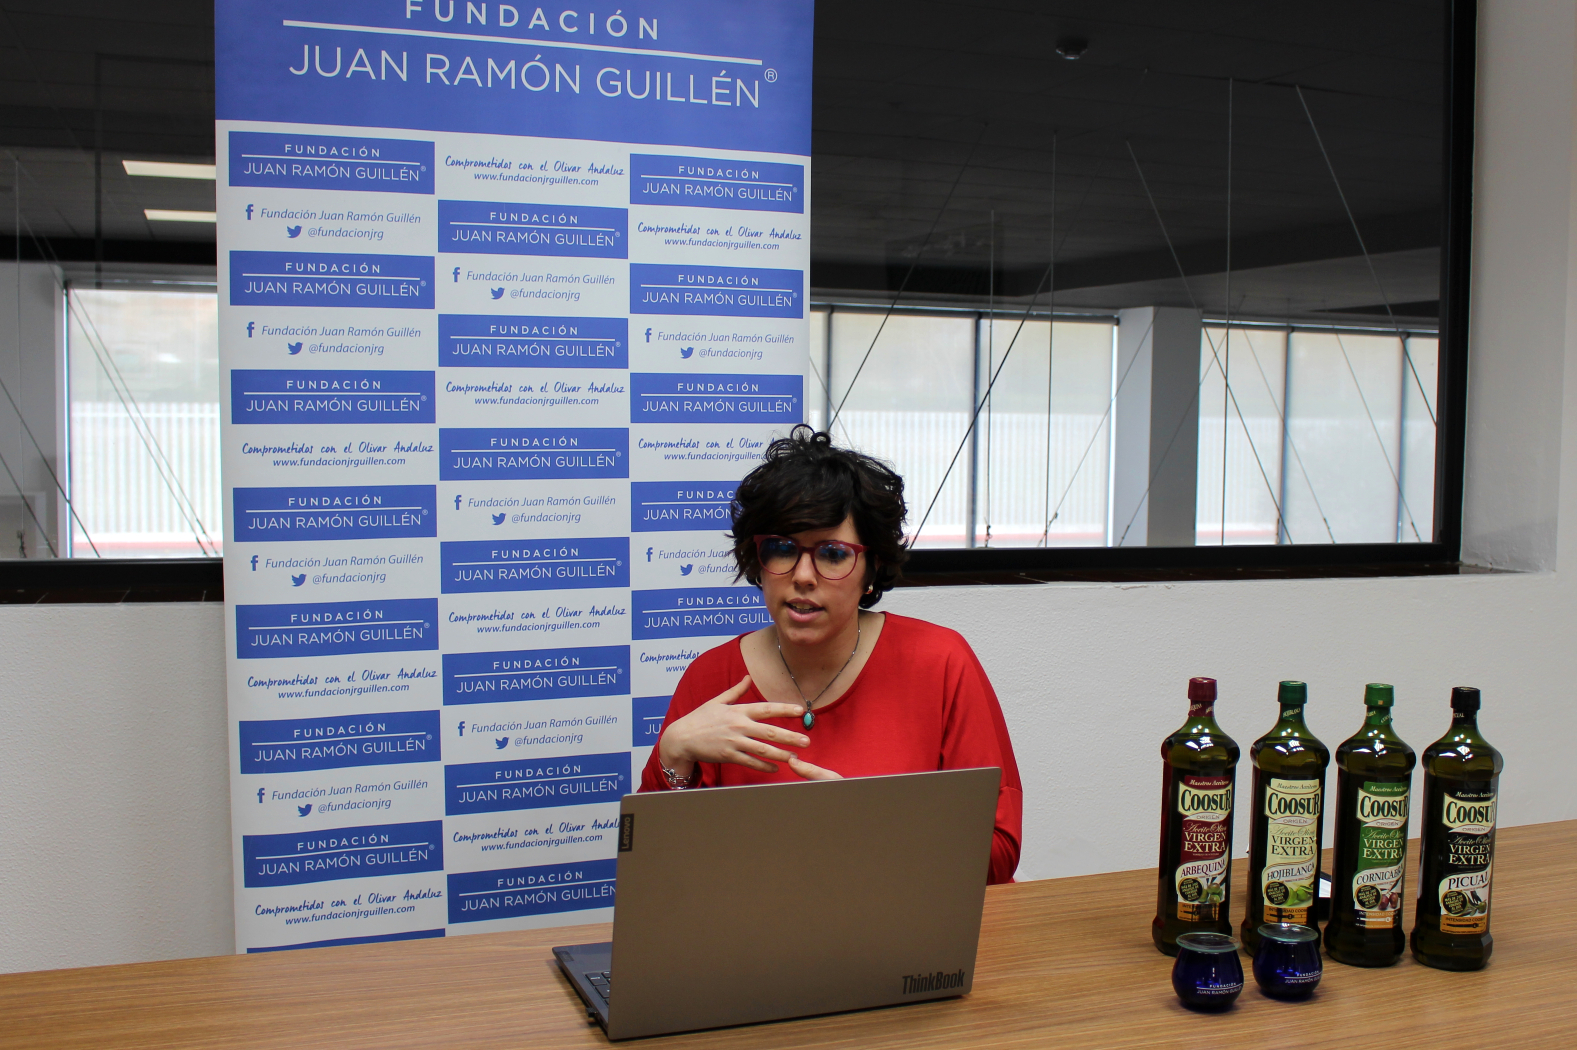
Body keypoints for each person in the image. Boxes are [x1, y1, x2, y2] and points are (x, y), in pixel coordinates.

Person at [638, 425, 1023, 883]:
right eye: (781, 549)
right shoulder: (711, 676)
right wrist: (673, 757)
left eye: (833, 554)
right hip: (757, 921)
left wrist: (868, 829)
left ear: (872, 567)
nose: (803, 576)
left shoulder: (940, 662)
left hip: (900, 919)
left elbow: (999, 852)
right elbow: (656, 870)